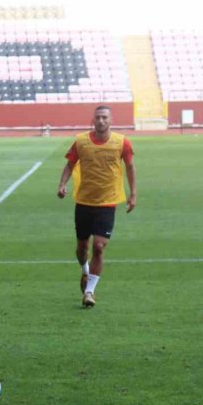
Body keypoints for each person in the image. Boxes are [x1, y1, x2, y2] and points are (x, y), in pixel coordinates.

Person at [57, 105, 136, 308]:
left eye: (104, 118)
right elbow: (70, 164)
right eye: (98, 118)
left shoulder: (122, 142)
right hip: (84, 202)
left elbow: (130, 167)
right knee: (82, 249)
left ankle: (90, 291)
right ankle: (85, 270)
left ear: (111, 120)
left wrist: (133, 194)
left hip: (108, 202)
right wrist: (62, 184)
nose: (101, 121)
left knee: (99, 247)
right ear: (93, 120)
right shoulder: (81, 141)